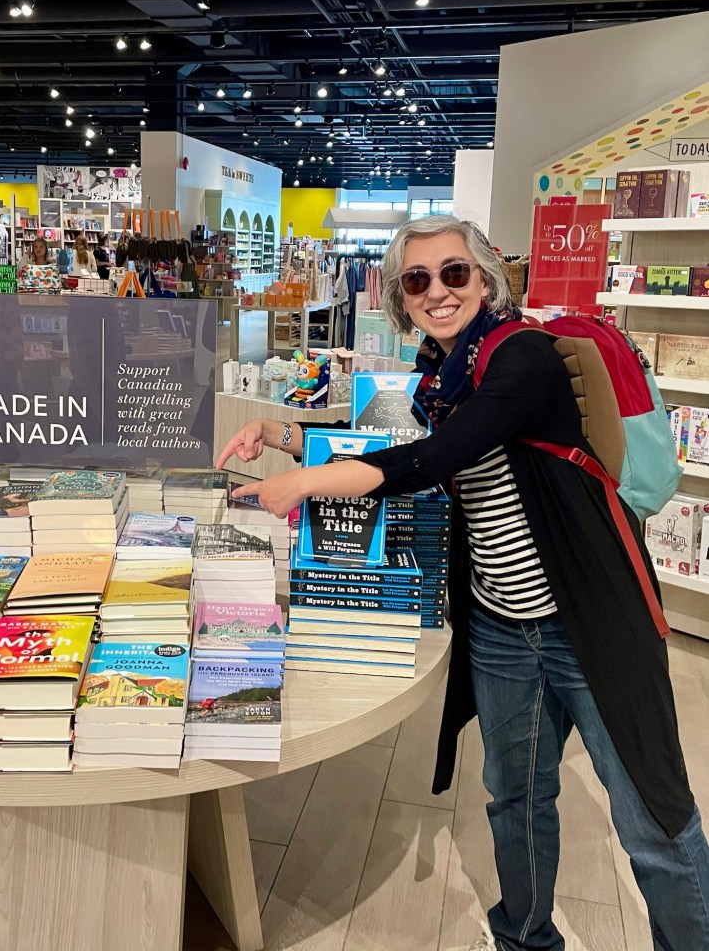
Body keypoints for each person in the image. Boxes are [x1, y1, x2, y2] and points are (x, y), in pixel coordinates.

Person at [216, 214, 709, 951]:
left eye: (455, 273)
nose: (438, 292)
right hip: (502, 629)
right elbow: (383, 438)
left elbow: (432, 459)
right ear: (400, 296)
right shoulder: (442, 373)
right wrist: (279, 436)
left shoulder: (521, 358)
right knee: (514, 799)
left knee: (654, 820)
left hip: (591, 621)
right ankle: (523, 937)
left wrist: (305, 485)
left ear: (486, 278)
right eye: (418, 279)